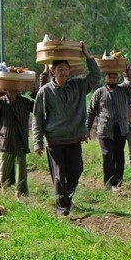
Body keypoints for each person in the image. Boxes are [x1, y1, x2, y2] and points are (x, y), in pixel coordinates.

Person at [33, 43, 101, 215]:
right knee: (59, 176)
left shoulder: (78, 86)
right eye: (60, 69)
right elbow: (38, 117)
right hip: (55, 140)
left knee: (76, 170)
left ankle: (66, 197)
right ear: (52, 72)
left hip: (74, 138)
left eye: (66, 69)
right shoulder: (45, 92)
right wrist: (38, 142)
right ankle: (62, 209)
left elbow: (95, 77)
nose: (64, 73)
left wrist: (88, 55)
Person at [86, 64, 131, 189]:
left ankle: (118, 182)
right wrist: (87, 129)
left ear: (118, 78)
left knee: (119, 155)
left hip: (121, 129)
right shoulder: (99, 93)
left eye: (114, 77)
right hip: (104, 130)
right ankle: (108, 182)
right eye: (109, 77)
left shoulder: (124, 89)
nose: (112, 79)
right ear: (105, 78)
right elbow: (91, 112)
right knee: (107, 155)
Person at [0, 82, 34, 198]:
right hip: (5, 143)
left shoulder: (24, 102)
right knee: (4, 172)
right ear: (6, 88)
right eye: (10, 88)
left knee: (21, 172)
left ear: (19, 89)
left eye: (15, 88)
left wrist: (34, 92)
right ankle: (5, 194)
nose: (13, 90)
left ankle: (21, 195)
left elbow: (40, 107)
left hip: (20, 141)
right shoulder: (0, 102)